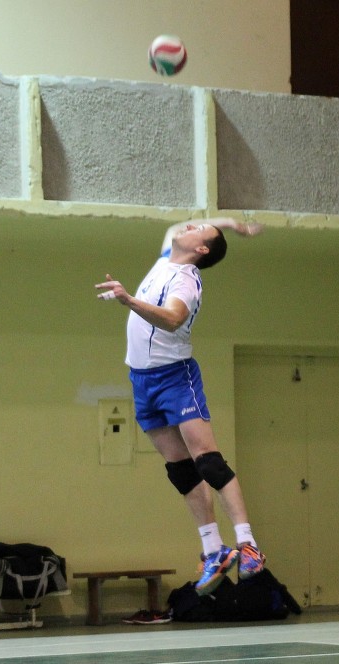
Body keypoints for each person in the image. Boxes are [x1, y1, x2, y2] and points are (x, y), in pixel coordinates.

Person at [95, 218, 266, 596]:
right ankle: (214, 551)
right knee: (181, 471)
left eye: (199, 228)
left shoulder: (186, 280)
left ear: (201, 249)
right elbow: (177, 226)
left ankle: (248, 544)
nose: (189, 225)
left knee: (208, 462)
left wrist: (128, 300)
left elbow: (173, 319)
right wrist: (231, 223)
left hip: (174, 377)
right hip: (142, 381)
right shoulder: (165, 260)